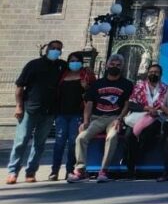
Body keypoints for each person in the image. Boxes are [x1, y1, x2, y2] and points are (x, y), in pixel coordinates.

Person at [6, 40, 66, 184]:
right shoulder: (34, 65)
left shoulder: (62, 66)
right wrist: (19, 106)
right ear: (47, 49)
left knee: (39, 143)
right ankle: (13, 171)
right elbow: (20, 86)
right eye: (53, 48)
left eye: (59, 49)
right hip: (30, 108)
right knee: (21, 140)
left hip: (49, 111)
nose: (56, 51)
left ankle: (31, 172)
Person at [68, 54, 134, 183]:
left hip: (114, 118)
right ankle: (80, 170)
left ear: (122, 67)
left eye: (118, 65)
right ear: (107, 65)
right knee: (81, 137)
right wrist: (86, 121)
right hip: (97, 118)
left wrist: (120, 119)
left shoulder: (127, 84)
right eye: (112, 64)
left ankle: (103, 171)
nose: (115, 67)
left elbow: (127, 104)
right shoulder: (97, 84)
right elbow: (89, 104)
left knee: (112, 137)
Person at [49, 51, 94, 181]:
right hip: (61, 113)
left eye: (76, 60)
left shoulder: (86, 75)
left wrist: (86, 87)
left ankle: (70, 170)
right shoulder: (63, 75)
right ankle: (54, 171)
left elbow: (93, 93)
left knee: (73, 143)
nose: (74, 63)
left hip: (77, 113)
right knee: (59, 143)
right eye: (71, 60)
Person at [124, 63, 168, 179]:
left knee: (147, 134)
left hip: (157, 118)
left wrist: (156, 111)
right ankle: (130, 167)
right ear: (148, 73)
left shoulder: (165, 88)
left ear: (161, 74)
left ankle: (132, 158)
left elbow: (167, 105)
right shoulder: (139, 86)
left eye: (156, 72)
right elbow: (132, 104)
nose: (154, 74)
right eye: (151, 72)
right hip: (139, 116)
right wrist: (147, 108)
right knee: (129, 135)